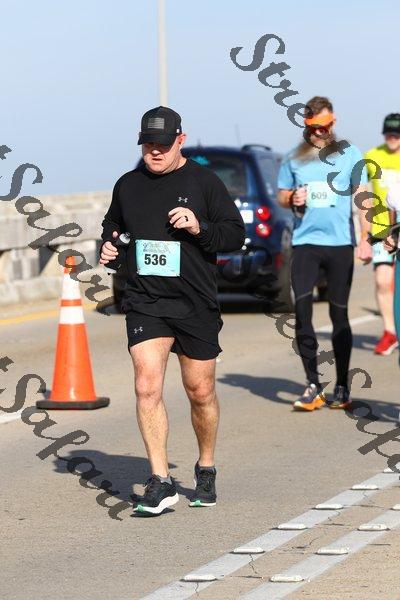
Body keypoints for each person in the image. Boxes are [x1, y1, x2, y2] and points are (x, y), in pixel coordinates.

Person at [99, 106, 245, 515]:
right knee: (147, 386)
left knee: (200, 391)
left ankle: (206, 467)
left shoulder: (204, 182)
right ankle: (160, 481)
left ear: (181, 140)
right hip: (145, 301)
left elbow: (234, 235)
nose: (155, 151)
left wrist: (199, 227)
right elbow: (113, 228)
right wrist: (109, 248)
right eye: (148, 144)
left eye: (163, 144)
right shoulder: (128, 185)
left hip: (194, 302)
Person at [278, 96, 372, 411]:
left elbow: (362, 196)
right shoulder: (293, 157)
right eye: (312, 128)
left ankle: (342, 385)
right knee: (302, 310)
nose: (318, 133)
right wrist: (292, 197)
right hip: (305, 243)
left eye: (323, 126)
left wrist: (365, 238)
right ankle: (313, 385)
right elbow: (281, 196)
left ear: (333, 122)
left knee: (338, 314)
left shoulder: (351, 154)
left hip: (340, 244)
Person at [365, 114, 400, 356]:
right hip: (381, 229)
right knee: (382, 281)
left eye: (396, 135)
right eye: (388, 134)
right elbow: (360, 188)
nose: (392, 138)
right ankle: (390, 331)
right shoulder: (372, 156)